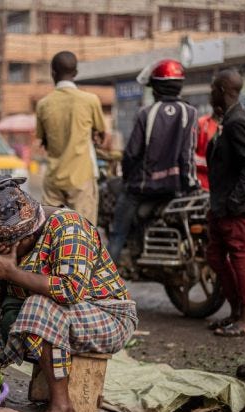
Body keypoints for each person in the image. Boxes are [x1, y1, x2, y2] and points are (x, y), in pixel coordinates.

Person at [0, 173, 137, 412]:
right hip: (57, 315)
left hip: (107, 317)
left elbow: (70, 290)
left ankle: (62, 408)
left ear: (27, 232)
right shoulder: (3, 229)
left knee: (39, 304)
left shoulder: (69, 228)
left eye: (5, 244)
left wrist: (12, 273)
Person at [107, 59, 198, 261]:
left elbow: (131, 154)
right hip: (175, 188)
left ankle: (102, 281)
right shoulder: (190, 112)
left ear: (156, 87)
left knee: (117, 233)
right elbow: (187, 154)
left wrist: (128, 178)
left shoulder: (146, 113)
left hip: (142, 189)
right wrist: (190, 184)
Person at [205, 69, 245, 337]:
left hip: (234, 208)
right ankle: (235, 311)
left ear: (224, 89)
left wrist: (234, 200)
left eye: (213, 88)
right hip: (220, 207)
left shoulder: (239, 121)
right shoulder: (227, 120)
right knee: (215, 256)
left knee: (240, 257)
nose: (210, 93)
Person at [35, 51, 106, 225]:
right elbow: (101, 133)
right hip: (81, 179)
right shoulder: (90, 100)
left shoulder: (43, 104)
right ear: (75, 73)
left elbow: (43, 141)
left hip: (53, 179)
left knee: (47, 232)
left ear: (52, 73)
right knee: (84, 233)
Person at [195, 113, 219, 191]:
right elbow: (191, 156)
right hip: (202, 184)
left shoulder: (233, 124)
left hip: (221, 187)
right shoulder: (202, 123)